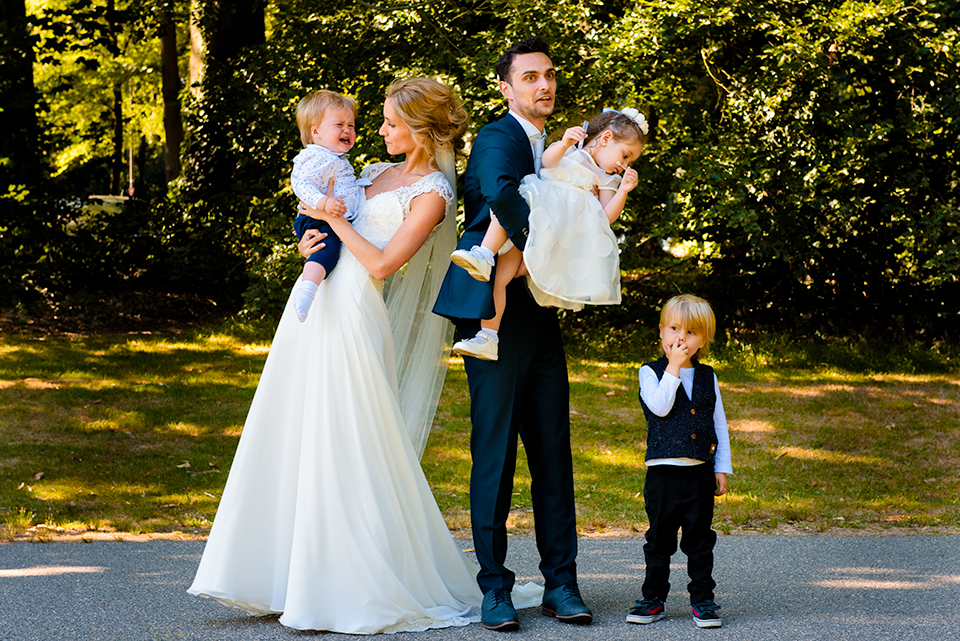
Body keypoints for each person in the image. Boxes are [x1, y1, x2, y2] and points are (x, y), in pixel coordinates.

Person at [189, 78, 540, 634]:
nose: (379, 131)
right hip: (315, 301)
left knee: (343, 435)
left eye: (390, 123)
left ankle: (343, 581)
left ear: (418, 130)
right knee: (293, 424)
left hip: (355, 308)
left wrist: (333, 221)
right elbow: (316, 203)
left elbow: (381, 264)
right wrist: (309, 238)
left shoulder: (432, 194)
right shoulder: (371, 172)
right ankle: (283, 575)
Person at [433, 36, 592, 631]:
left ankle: (562, 583)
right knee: (495, 454)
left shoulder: (557, 149)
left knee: (553, 450)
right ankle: (494, 587)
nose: (543, 85)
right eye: (530, 77)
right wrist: (539, 248)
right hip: (493, 317)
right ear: (506, 88)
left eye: (548, 75)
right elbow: (500, 194)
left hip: (540, 313)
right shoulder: (499, 137)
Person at [450, 108, 647, 361]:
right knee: (506, 225)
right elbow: (547, 162)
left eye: (630, 162)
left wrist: (623, 191)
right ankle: (488, 322)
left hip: (557, 231)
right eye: (625, 156)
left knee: (508, 272)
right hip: (538, 209)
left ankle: (488, 322)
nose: (625, 165)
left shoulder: (606, 178)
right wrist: (564, 143)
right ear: (606, 138)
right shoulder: (571, 150)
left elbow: (606, 216)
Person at [628, 294, 733, 629]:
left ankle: (703, 599)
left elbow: (718, 423)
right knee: (659, 540)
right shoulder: (650, 372)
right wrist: (673, 367)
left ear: (703, 339)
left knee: (699, 541)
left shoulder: (707, 376)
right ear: (661, 331)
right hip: (663, 475)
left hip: (700, 473)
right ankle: (653, 598)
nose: (681, 338)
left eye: (690, 332)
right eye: (674, 329)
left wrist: (721, 466)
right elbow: (659, 406)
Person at [289, 89, 370, 323]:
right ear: (315, 132)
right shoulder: (315, 157)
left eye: (351, 125)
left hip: (326, 216)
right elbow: (301, 184)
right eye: (339, 124)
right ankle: (307, 291)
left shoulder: (333, 158)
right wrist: (324, 203)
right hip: (318, 217)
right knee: (328, 248)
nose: (347, 130)